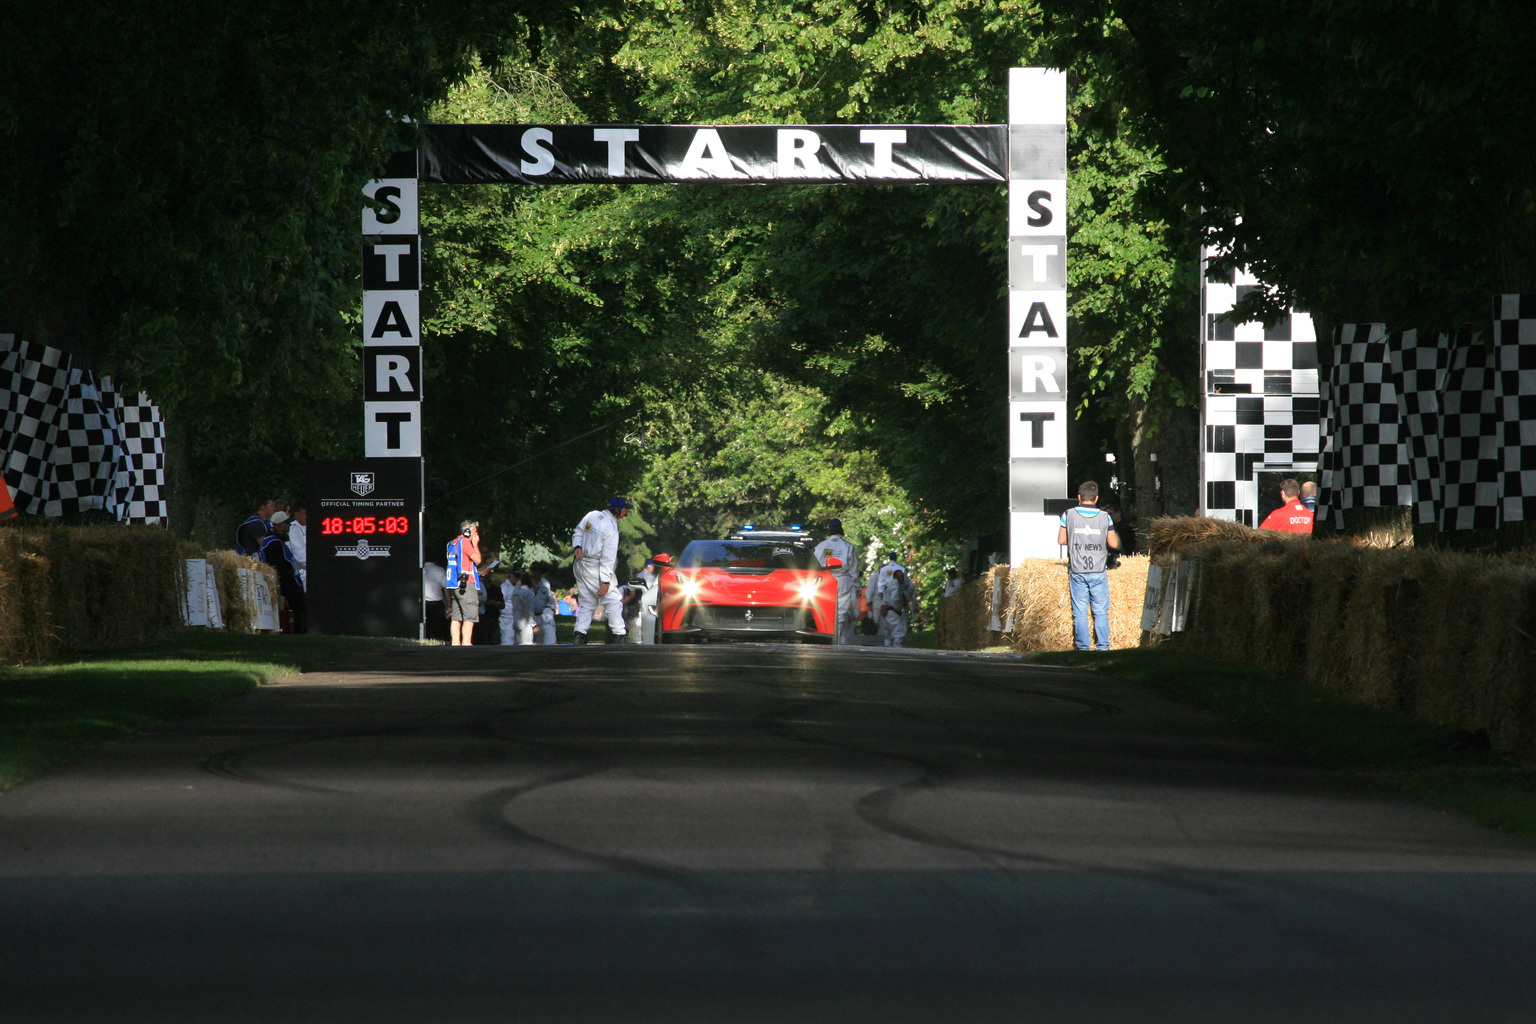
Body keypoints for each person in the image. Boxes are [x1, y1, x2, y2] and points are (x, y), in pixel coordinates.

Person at [1057, 480, 1119, 651]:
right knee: (1100, 612)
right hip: (1098, 569)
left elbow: (1062, 540)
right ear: (1096, 498)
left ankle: (1082, 647)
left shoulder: (1068, 514)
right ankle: (1103, 646)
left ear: (1079, 497)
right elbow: (1113, 543)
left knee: (1080, 612)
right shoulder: (1105, 516)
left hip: (1077, 569)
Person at [570, 497, 630, 644]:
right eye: (624, 509)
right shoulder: (610, 527)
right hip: (595, 567)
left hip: (580, 564)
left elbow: (578, 531)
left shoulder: (592, 515)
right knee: (613, 600)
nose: (626, 512)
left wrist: (577, 547)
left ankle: (579, 634)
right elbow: (607, 558)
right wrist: (605, 581)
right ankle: (619, 635)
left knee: (587, 602)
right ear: (617, 511)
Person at [260, 510, 306, 633]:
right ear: (280, 525)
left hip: (286, 582)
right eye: (287, 523)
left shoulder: (272, 540)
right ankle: (298, 633)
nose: (289, 526)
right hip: (286, 584)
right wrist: (289, 575)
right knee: (300, 609)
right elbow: (275, 566)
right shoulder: (274, 543)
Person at [814, 520, 859, 644]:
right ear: (841, 529)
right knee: (841, 611)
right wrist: (857, 586)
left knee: (824, 609)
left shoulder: (821, 546)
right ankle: (836, 639)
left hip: (824, 580)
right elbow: (853, 570)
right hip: (843, 580)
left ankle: (828, 637)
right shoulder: (848, 546)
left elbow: (814, 564)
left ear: (829, 529)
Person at [445, 519, 483, 646]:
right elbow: (477, 559)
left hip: (454, 584)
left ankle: (455, 643)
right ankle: (466, 643)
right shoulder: (465, 543)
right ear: (468, 532)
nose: (476, 535)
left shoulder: (452, 543)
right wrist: (475, 544)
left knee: (456, 617)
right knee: (469, 615)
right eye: (475, 532)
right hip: (466, 584)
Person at [878, 567, 915, 646]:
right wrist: (897, 608)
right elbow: (895, 599)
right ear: (896, 577)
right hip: (893, 611)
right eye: (901, 576)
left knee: (888, 634)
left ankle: (887, 649)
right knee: (898, 633)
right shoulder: (895, 585)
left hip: (887, 610)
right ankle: (897, 648)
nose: (902, 578)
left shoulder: (889, 584)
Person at [527, 562, 557, 645]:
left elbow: (550, 600)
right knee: (529, 643)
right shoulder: (525, 584)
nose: (536, 573)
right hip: (528, 616)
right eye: (534, 571)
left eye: (538, 571)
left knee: (548, 641)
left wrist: (550, 611)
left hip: (543, 615)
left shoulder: (545, 583)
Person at [422, 561, 449, 642]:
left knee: (426, 627)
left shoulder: (420, 569)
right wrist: (449, 604)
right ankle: (439, 642)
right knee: (438, 628)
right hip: (437, 602)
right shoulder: (439, 570)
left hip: (423, 603)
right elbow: (446, 588)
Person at [287, 502, 308, 590]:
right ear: (296, 514)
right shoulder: (292, 529)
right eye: (304, 513)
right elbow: (300, 555)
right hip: (301, 572)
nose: (306, 516)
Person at [498, 569, 521, 646]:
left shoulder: (519, 586)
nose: (517, 579)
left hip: (516, 616)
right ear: (510, 576)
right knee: (507, 640)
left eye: (518, 577)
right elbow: (501, 601)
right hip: (506, 617)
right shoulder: (505, 587)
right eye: (515, 577)